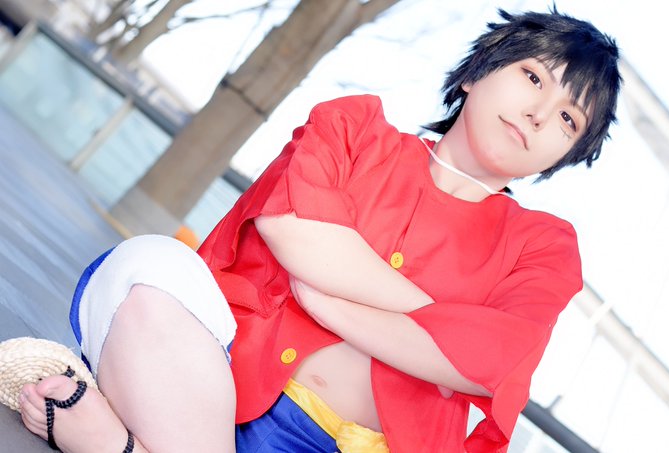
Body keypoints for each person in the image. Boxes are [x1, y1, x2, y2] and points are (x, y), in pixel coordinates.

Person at [14, 7, 621, 453]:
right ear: (476, 74)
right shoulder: (356, 127)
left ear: (563, 157)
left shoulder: (546, 247)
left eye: (568, 120)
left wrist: (330, 300)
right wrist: (444, 323)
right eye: (533, 78)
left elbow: (487, 362)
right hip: (213, 389)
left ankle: (118, 446)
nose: (539, 113)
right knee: (148, 264)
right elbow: (295, 231)